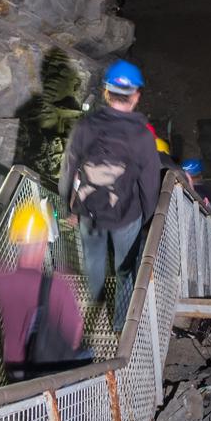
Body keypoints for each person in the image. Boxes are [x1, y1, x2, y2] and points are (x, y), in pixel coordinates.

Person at [59, 58, 161, 332]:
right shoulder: (142, 136)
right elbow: (150, 184)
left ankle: (96, 303)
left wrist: (68, 207)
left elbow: (68, 168)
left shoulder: (84, 126)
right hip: (126, 214)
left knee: (92, 261)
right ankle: (119, 326)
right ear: (136, 96)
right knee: (125, 271)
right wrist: (147, 219)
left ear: (106, 92)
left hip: (88, 210)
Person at [0, 203, 85, 381]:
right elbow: (75, 331)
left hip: (15, 370)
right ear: (43, 243)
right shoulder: (58, 286)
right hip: (49, 371)